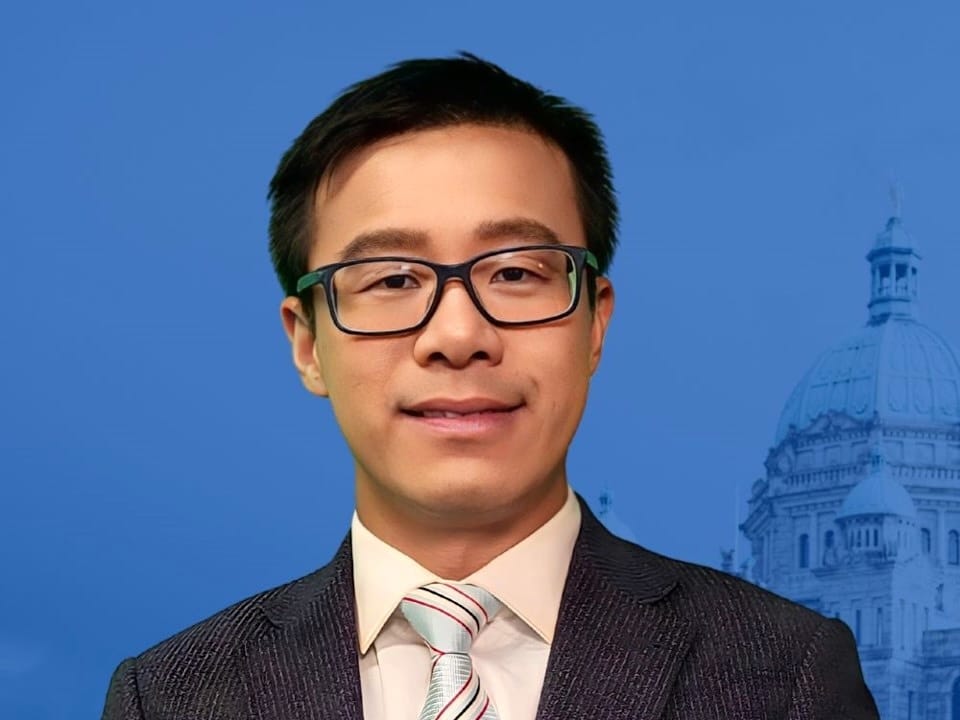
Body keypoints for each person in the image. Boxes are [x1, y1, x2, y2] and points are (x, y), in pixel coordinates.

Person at [101, 53, 878, 719]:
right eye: (392, 279)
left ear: (595, 323)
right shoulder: (170, 697)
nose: (458, 334)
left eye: (514, 273)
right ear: (307, 343)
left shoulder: (786, 675)